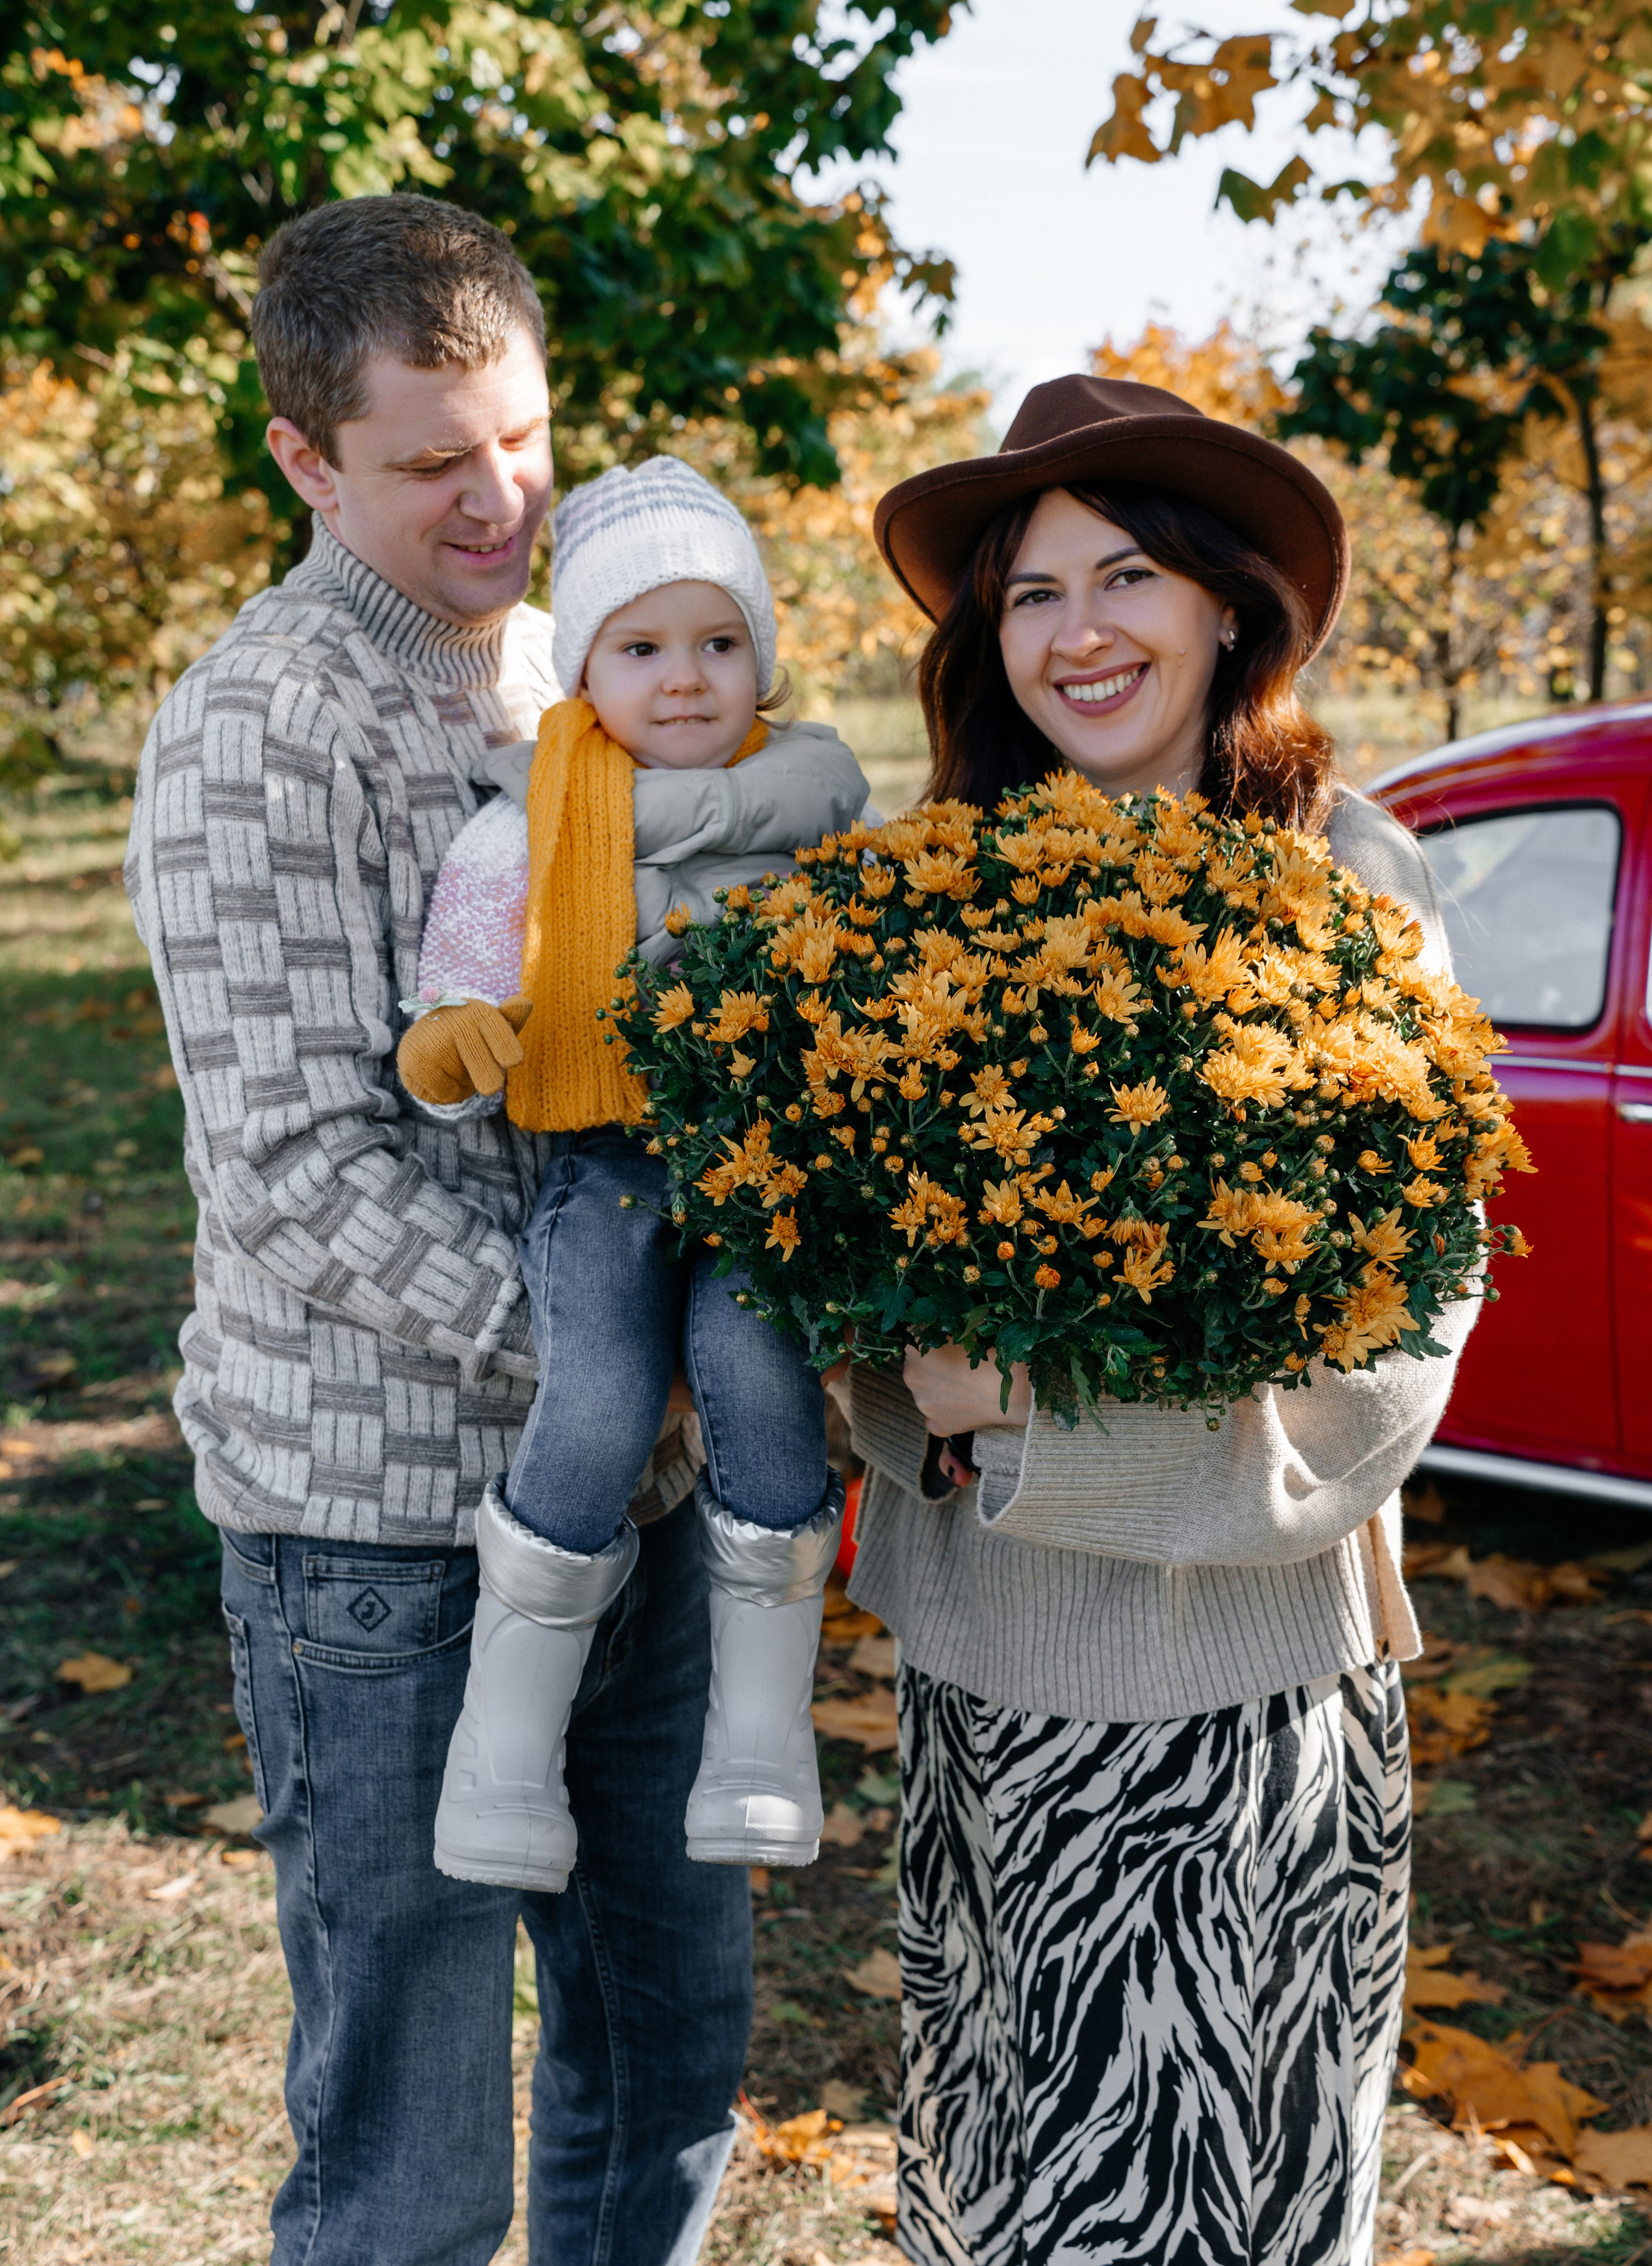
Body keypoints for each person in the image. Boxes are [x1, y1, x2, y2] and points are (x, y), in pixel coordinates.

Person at [124, 195, 753, 2266]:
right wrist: (621, 1357)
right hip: (380, 1536)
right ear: (303, 458)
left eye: (524, 440)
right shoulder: (256, 728)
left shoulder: (583, 668)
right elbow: (302, 1175)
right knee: (411, 2163)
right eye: (427, 462)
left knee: (668, 2058)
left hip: (637, 1511)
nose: (498, 502)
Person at [845, 374, 1479, 2266]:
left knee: (1243, 2202)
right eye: (1032, 596)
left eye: (1128, 576)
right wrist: (909, 1392)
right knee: (1010, 2201)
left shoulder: (1348, 883)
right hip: (989, 1689)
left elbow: (1400, 1346)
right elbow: (849, 1288)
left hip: (1247, 1692)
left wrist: (1050, 1436)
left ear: (1226, 606)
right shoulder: (916, 902)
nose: (1081, 633)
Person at [394, 456, 864, 1888]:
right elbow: (463, 972)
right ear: (585, 665)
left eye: (719, 644)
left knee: (762, 1372)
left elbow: (868, 965)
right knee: (594, 1392)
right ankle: (502, 1755)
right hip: (604, 1163)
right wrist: (459, 1031)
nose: (684, 680)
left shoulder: (813, 807)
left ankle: (760, 1741)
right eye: (642, 648)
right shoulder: (532, 818)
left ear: (762, 660)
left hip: (763, 1171)